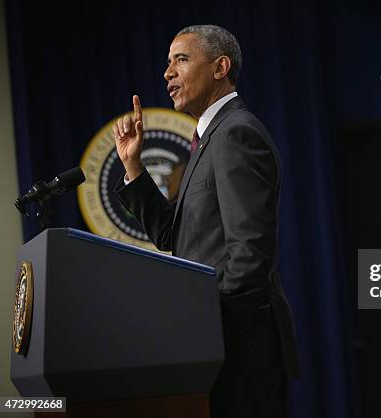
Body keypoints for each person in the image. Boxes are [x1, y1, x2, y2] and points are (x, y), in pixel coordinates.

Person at [112, 24, 299, 418]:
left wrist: (205, 326)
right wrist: (133, 167)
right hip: (217, 345)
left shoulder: (236, 133)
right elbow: (171, 235)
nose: (167, 73)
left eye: (181, 59)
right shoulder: (207, 140)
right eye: (167, 63)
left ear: (220, 67)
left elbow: (249, 253)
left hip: (237, 347)